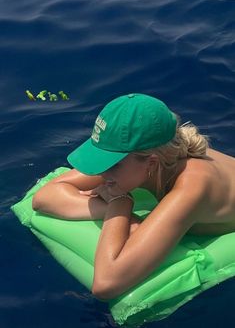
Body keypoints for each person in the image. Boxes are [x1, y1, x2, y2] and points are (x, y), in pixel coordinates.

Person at [32, 93, 235, 300]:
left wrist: (120, 204)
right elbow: (43, 197)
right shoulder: (145, 160)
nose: (102, 172)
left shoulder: (192, 188)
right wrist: (125, 216)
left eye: (113, 164)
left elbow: (105, 285)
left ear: (151, 163)